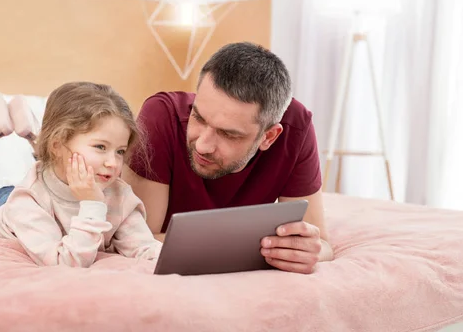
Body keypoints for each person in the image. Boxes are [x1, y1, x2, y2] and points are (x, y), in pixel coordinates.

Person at [123, 42, 334, 274]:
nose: (203, 145)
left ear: (269, 137)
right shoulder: (160, 116)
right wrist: (259, 249)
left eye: (228, 134)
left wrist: (309, 251)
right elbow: (139, 239)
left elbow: (320, 244)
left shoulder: (296, 126)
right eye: (198, 118)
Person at [0, 83, 161, 268]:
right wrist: (92, 205)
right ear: (59, 144)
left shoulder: (119, 194)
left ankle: (37, 139)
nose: (112, 163)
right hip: (1, 204)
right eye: (100, 147)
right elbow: (66, 263)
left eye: (120, 151)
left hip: (49, 181)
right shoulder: (26, 203)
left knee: (54, 172)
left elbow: (144, 247)